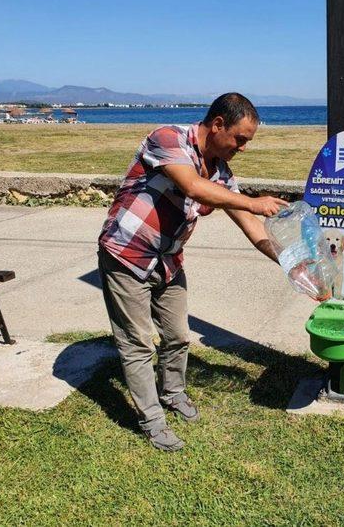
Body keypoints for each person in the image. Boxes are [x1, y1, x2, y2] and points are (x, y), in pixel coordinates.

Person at [98, 93, 288, 451]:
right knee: (137, 344)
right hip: (127, 255)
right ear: (218, 125)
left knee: (178, 335)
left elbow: (252, 226)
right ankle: (152, 421)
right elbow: (191, 186)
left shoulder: (220, 171)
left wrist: (291, 264)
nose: (243, 148)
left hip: (167, 260)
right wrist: (254, 201)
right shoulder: (167, 139)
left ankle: (173, 393)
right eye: (240, 139)